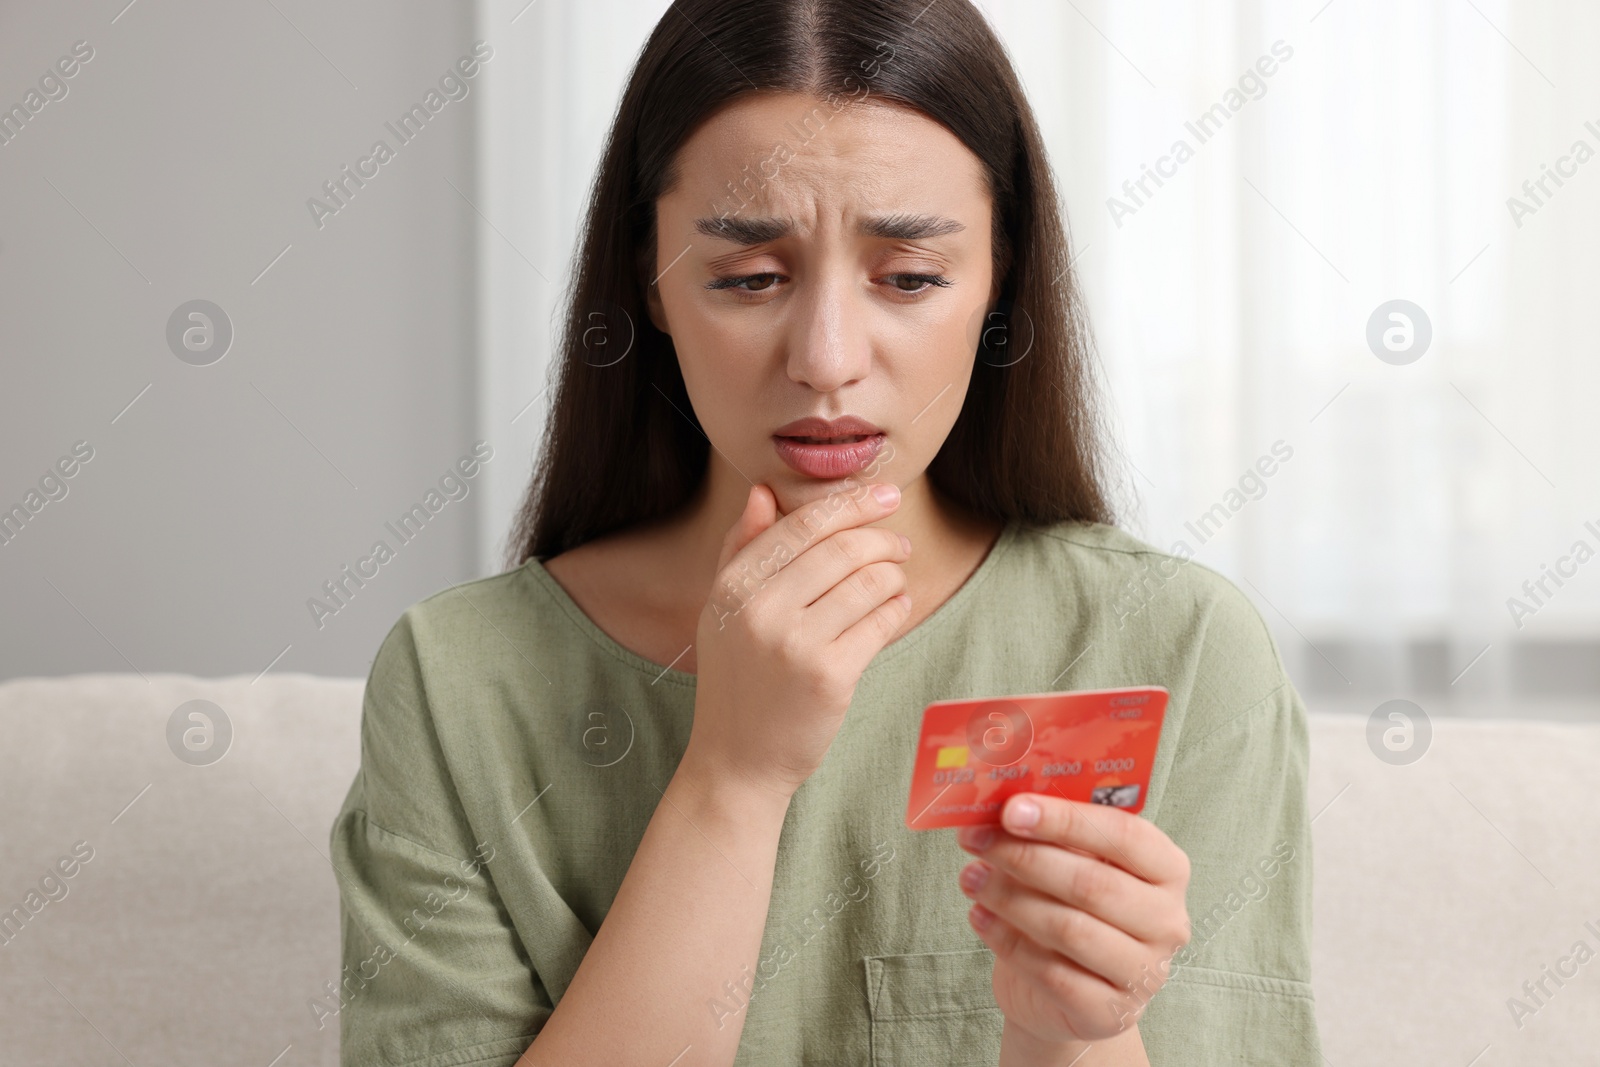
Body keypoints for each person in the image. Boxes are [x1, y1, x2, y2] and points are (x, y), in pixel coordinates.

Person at [327, 0, 1324, 1063]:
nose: (827, 358)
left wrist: (1072, 1032)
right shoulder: (457, 681)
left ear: (999, 280)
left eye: (909, 278)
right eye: (749, 278)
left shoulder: (1177, 646)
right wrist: (732, 775)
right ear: (649, 280)